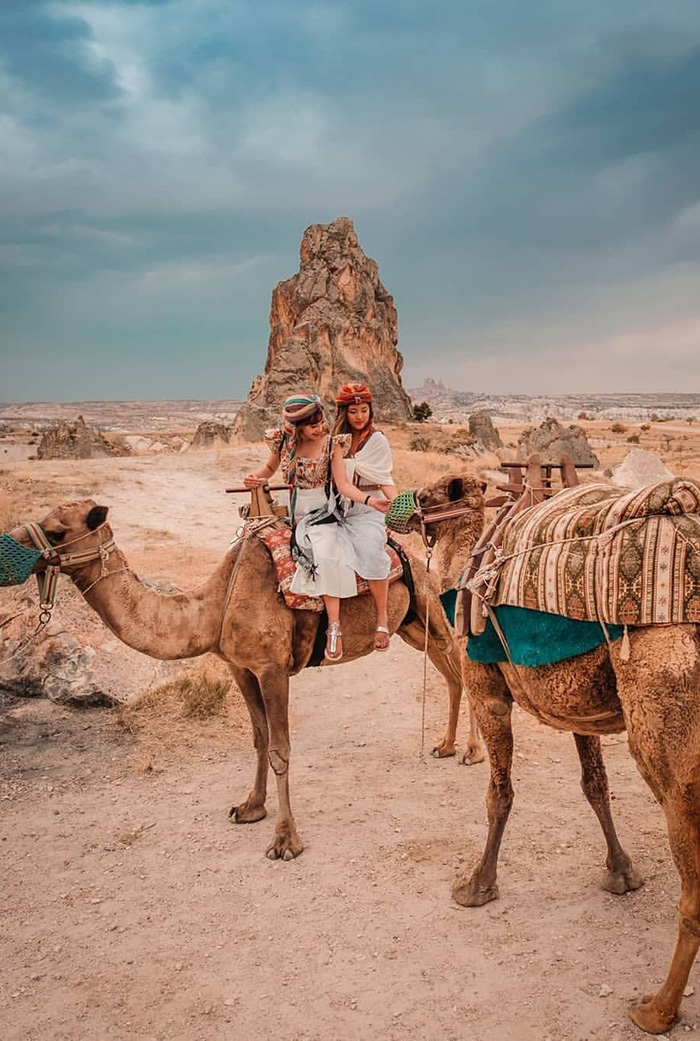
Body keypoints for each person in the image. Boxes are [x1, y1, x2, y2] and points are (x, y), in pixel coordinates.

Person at [243, 393, 389, 662]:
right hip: (287, 508)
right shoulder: (283, 443)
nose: (321, 428)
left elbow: (343, 485)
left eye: (322, 422)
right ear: (297, 428)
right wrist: (255, 478)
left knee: (327, 553)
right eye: (313, 425)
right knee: (245, 545)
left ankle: (334, 627)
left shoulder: (332, 444)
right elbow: (268, 468)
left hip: (320, 512)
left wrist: (371, 500)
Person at [331, 382, 398, 650]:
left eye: (364, 410)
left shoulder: (378, 440)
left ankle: (382, 616)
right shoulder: (336, 441)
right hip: (338, 506)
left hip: (370, 507)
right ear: (343, 413)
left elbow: (385, 479)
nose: (359, 416)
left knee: (371, 550)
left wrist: (397, 505)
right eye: (353, 411)